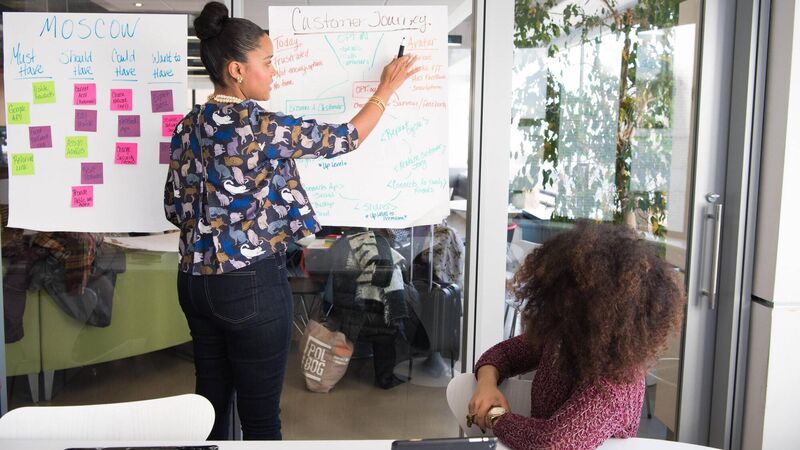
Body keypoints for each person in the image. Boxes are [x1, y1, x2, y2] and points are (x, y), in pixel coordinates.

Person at [163, 1, 420, 440]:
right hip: (249, 286)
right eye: (267, 62)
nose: (274, 71)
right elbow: (345, 138)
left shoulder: (187, 127)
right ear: (237, 70)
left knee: (210, 409)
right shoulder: (260, 126)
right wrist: (386, 89)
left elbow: (173, 207)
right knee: (261, 420)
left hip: (193, 282)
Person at [468, 221, 686, 450]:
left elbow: (552, 443)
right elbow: (504, 353)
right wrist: (486, 384)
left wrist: (495, 417)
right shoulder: (565, 337)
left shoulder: (616, 383)